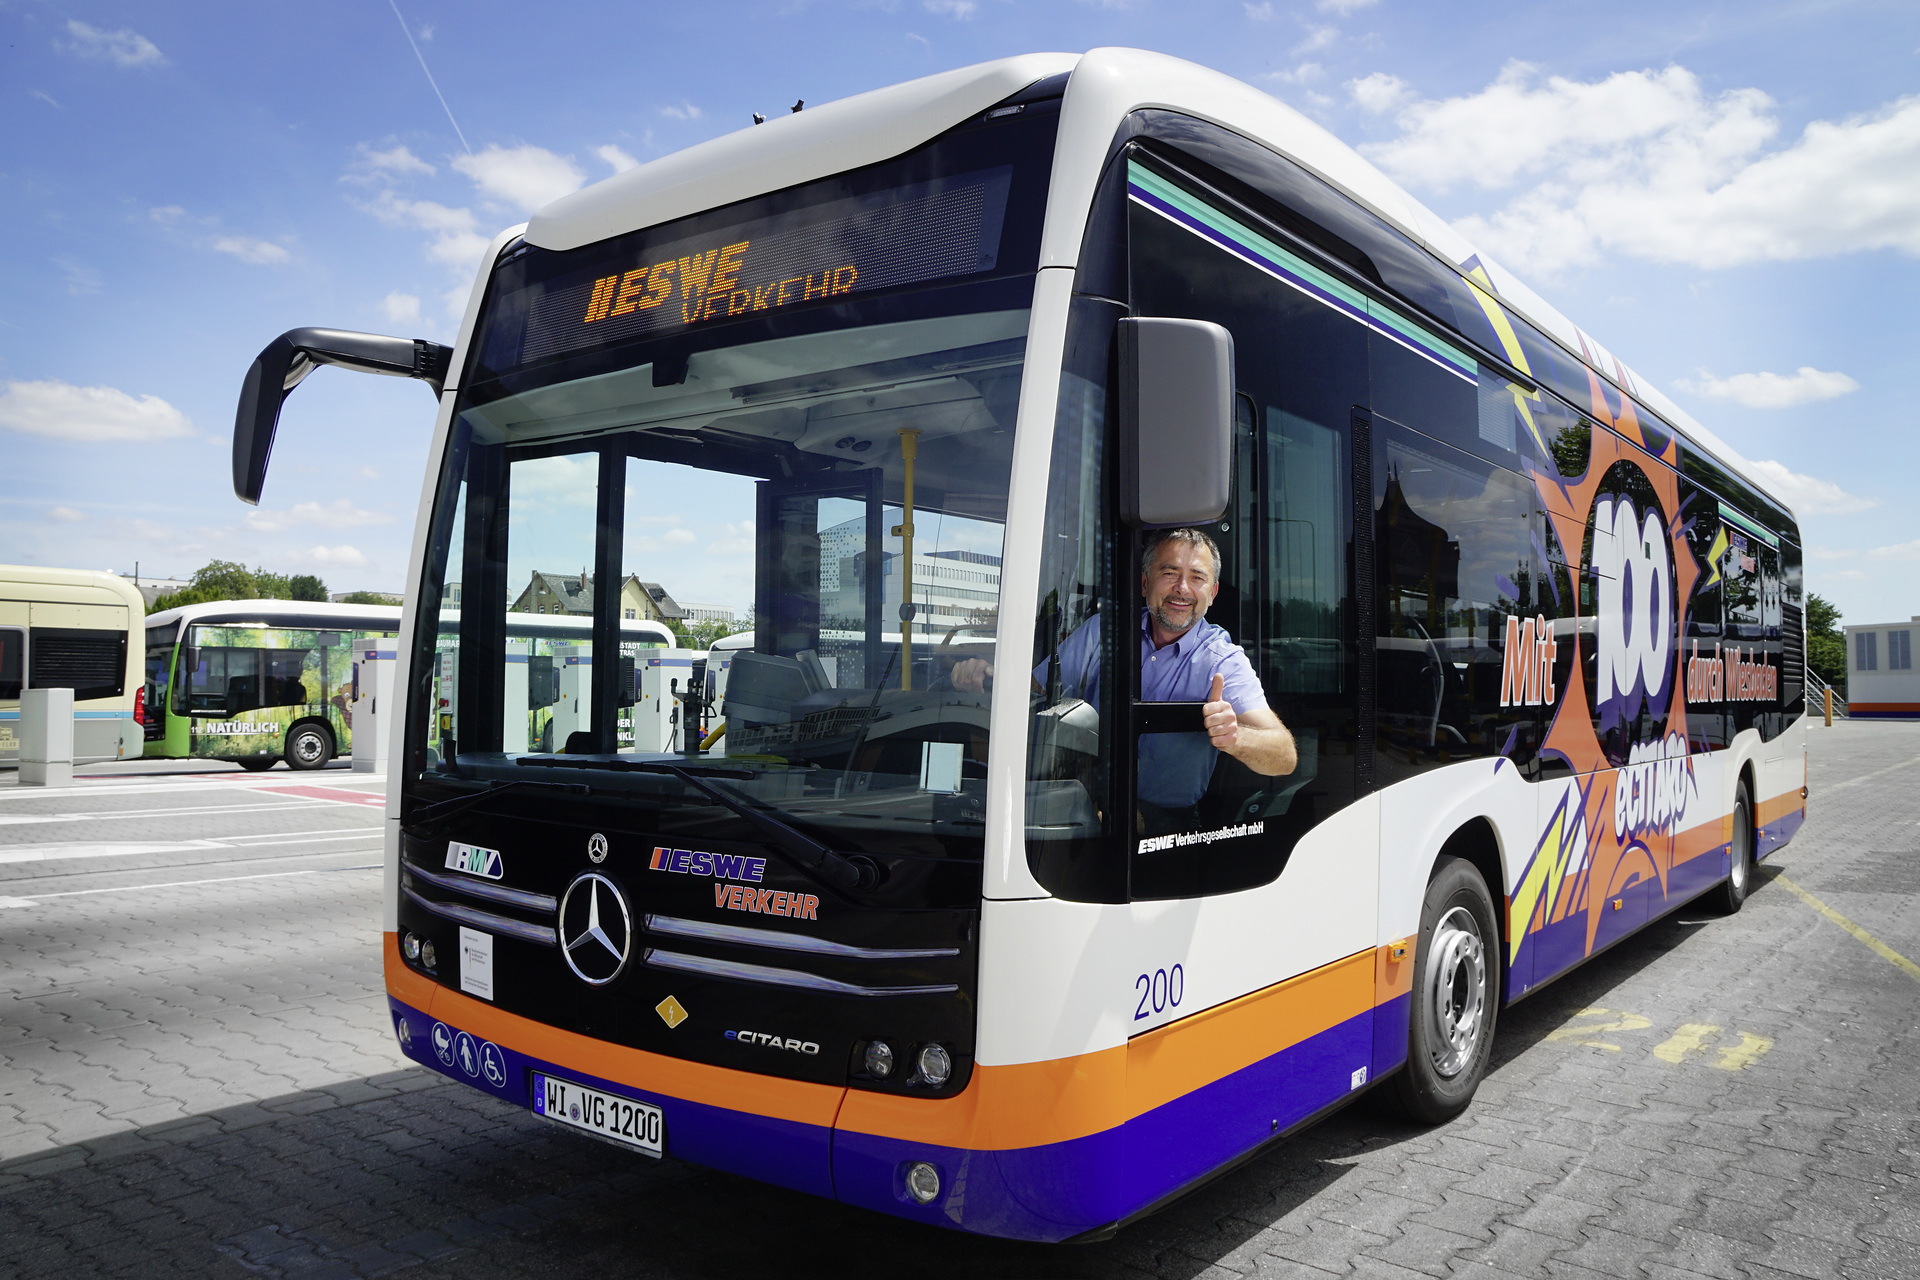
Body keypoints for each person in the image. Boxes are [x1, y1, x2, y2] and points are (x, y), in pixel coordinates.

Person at [953, 527, 1295, 811]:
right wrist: (988, 679)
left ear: (1213, 592)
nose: (1182, 588)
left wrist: (1236, 737)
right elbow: (1036, 691)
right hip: (1086, 805)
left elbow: (1284, 756)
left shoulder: (1222, 659)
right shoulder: (1103, 630)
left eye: (1197, 578)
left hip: (1166, 825)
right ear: (1145, 583)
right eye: (1169, 572)